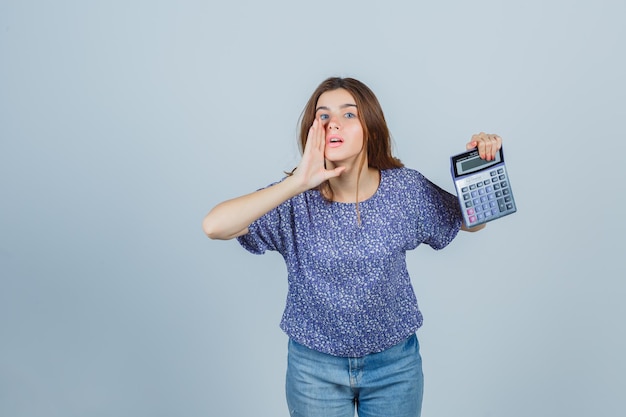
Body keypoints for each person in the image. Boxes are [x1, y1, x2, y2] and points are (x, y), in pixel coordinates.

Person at [202, 77, 502, 417]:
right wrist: (297, 181)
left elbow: (471, 221)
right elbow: (214, 226)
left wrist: (484, 164)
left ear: (370, 129)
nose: (333, 123)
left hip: (394, 367)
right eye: (323, 115)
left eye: (348, 114)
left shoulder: (404, 191)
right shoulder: (294, 199)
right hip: (314, 370)